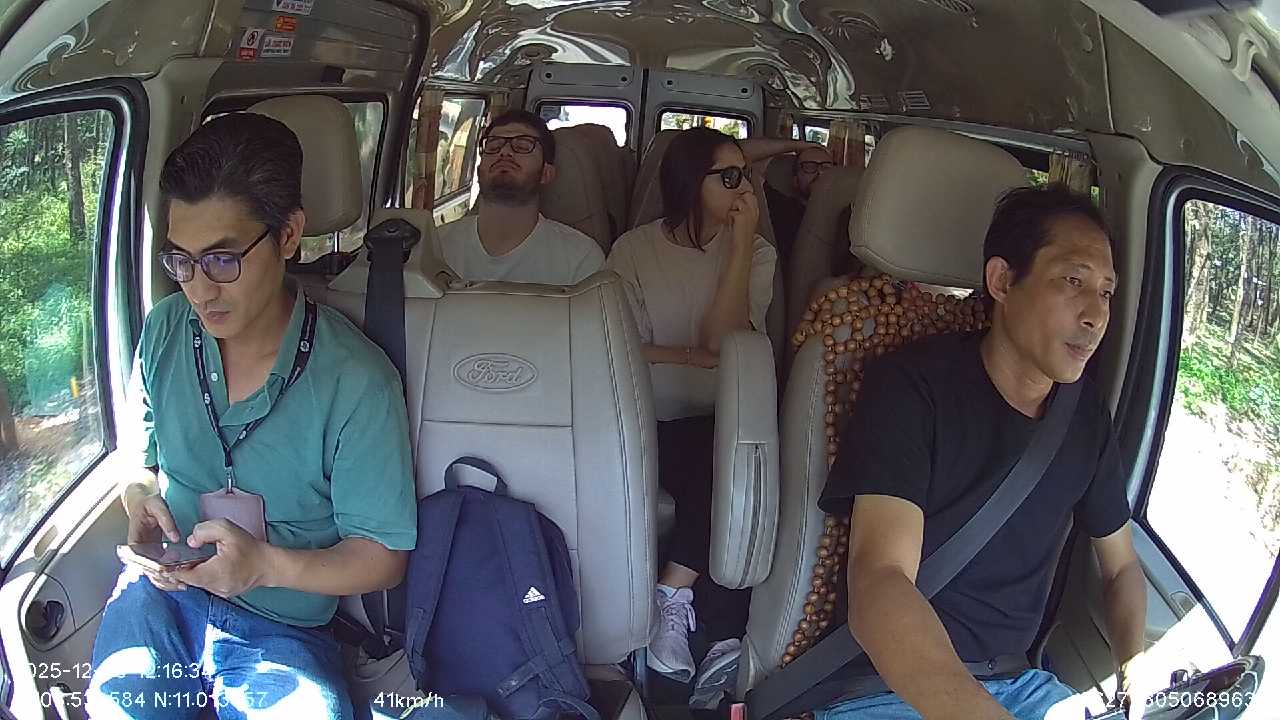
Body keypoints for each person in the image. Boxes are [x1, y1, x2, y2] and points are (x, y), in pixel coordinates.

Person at [86, 113, 417, 720]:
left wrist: (264, 566)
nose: (199, 290)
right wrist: (139, 494)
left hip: (281, 625)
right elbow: (141, 450)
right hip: (163, 597)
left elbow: (383, 557)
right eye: (181, 261)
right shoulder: (164, 330)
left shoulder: (357, 381)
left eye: (222, 260)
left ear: (288, 235)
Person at [816, 185, 1149, 720]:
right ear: (1002, 281)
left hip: (1023, 686)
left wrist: (1135, 676)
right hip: (885, 687)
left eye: (1106, 292)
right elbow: (880, 579)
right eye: (1073, 281)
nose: (1096, 315)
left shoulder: (1085, 418)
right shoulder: (912, 388)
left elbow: (1122, 568)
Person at [606, 127, 777, 708]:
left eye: (745, 176)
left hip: (725, 419)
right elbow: (621, 345)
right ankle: (709, 624)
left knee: (731, 460)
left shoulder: (757, 253)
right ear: (689, 183)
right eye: (728, 177)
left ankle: (676, 597)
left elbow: (723, 340)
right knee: (714, 462)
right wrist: (688, 358)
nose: (743, 189)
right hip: (648, 418)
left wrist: (741, 243)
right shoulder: (633, 250)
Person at [434, 110, 605, 284]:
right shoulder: (435, 246)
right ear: (479, 170)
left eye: (523, 146)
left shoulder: (580, 258)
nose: (505, 152)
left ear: (546, 173)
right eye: (493, 146)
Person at [760, 142, 835, 266]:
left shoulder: (849, 213)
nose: (820, 173)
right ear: (795, 180)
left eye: (826, 167)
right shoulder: (780, 207)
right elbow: (746, 158)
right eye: (809, 167)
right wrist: (797, 145)